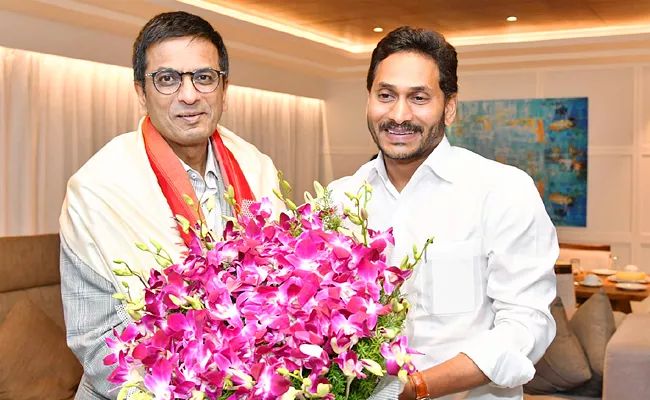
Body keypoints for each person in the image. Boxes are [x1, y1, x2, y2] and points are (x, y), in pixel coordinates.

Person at [59, 11, 283, 399]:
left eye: (203, 77)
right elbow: (97, 345)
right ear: (140, 92)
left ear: (224, 89)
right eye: (166, 79)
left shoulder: (258, 168)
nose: (189, 95)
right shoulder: (96, 190)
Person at [329, 26, 558, 400]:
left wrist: (415, 388)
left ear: (448, 107)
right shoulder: (339, 199)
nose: (399, 114)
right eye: (385, 95)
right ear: (368, 100)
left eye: (419, 97)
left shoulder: (502, 190)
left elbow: (526, 325)